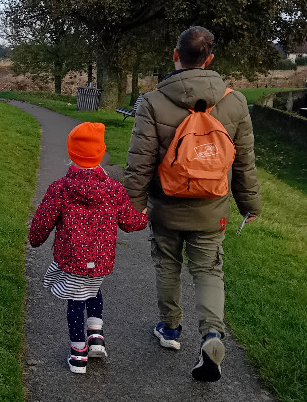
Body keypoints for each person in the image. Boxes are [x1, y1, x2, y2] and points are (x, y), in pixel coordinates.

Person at [124, 26, 261, 382]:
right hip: (212, 207)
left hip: (166, 205)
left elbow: (139, 161)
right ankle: (212, 335)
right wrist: (250, 203)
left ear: (176, 55)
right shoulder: (235, 102)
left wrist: (132, 204)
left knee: (167, 264)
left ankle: (170, 330)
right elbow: (244, 160)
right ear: (210, 59)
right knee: (209, 270)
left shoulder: (152, 102)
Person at [29, 122, 147, 374]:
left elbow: (42, 222)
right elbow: (129, 221)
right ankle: (96, 337)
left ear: (71, 153)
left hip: (72, 259)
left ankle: (78, 353)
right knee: (93, 290)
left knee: (76, 300)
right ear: (102, 153)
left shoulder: (60, 189)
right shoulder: (114, 189)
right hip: (101, 260)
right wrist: (144, 216)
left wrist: (35, 239)